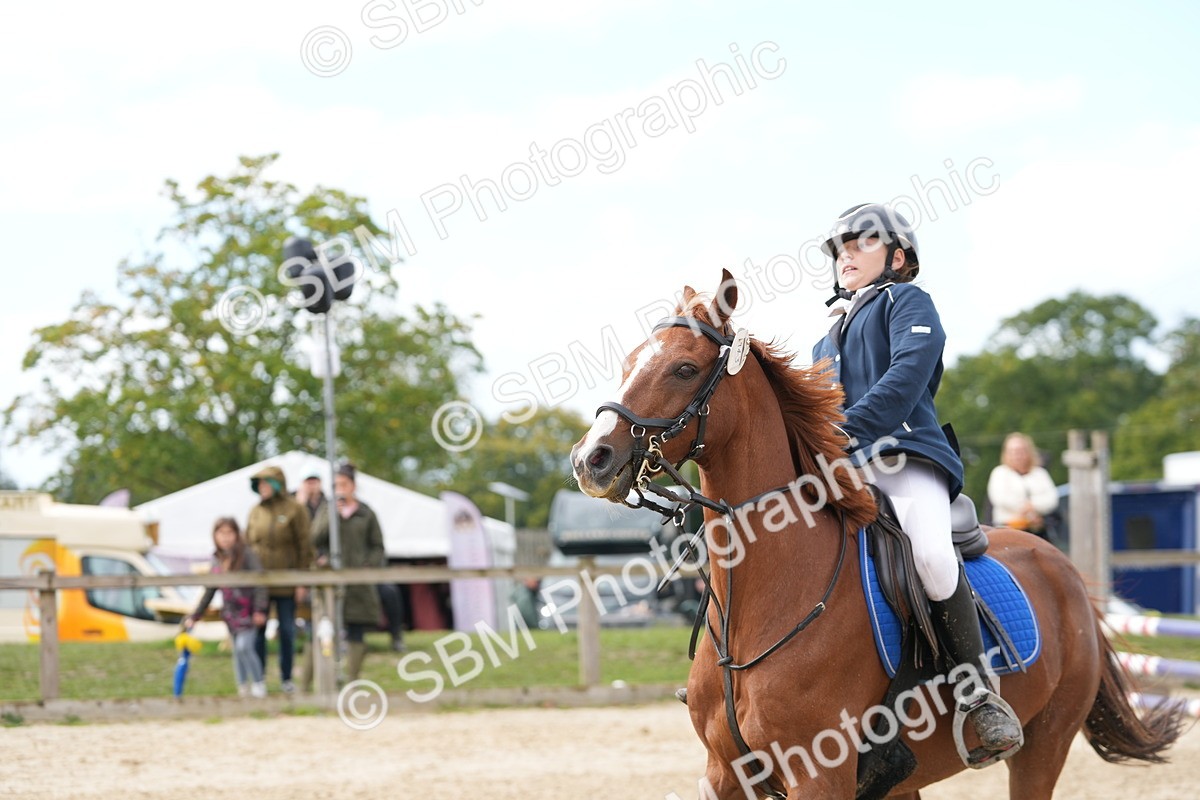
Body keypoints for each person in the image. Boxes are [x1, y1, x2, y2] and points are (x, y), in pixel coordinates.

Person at [811, 202, 1022, 758]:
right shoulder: (823, 341)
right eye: (841, 248)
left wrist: (844, 429)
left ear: (897, 257)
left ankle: (980, 696)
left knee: (929, 554)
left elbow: (906, 376)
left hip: (905, 457)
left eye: (862, 243)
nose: (847, 255)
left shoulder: (908, 302)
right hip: (846, 470)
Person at [312, 462, 384, 681]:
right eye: (336, 485)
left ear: (353, 485)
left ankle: (353, 678)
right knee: (327, 628)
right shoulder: (326, 509)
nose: (340, 489)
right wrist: (330, 515)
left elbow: (377, 546)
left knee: (356, 628)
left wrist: (367, 565)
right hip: (332, 580)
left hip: (358, 581)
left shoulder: (366, 513)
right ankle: (328, 677)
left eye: (344, 484)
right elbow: (315, 538)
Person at [245, 465, 314, 694]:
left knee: (287, 630)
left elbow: (305, 546)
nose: (262, 488)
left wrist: (302, 580)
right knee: (258, 630)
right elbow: (248, 545)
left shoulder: (295, 509)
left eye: (266, 483)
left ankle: (286, 678)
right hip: (260, 585)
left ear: (276, 484)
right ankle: (259, 678)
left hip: (287, 583)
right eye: (259, 484)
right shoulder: (255, 511)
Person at [185, 517, 269, 698]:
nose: (225, 537)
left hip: (250, 611)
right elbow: (210, 590)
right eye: (221, 533)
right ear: (215, 536)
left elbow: (260, 582)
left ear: (236, 534)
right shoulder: (216, 559)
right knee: (237, 651)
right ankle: (242, 686)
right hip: (231, 614)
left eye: (229, 532)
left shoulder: (247, 555)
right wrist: (196, 615)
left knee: (244, 647)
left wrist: (260, 609)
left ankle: (258, 683)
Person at [988, 433, 1060, 537]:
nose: (1016, 455)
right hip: (1007, 530)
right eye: (1012, 451)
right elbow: (1000, 498)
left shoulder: (1040, 473)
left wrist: (1034, 506)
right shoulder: (1000, 473)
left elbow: (1051, 498)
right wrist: (1027, 511)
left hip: (1038, 530)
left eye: (1020, 451)